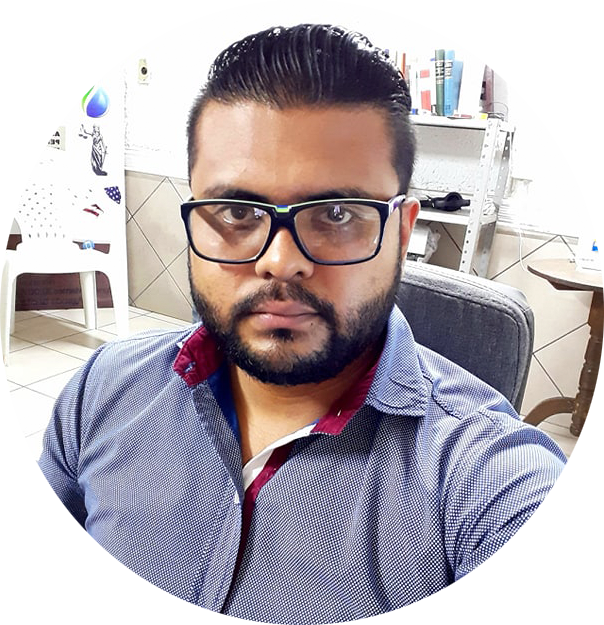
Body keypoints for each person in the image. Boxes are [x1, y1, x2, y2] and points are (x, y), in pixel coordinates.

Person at [1, 23, 603, 625]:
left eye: (336, 213)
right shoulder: (110, 386)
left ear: (400, 232)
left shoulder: (493, 481)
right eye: (237, 211)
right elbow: (18, 561)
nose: (281, 260)